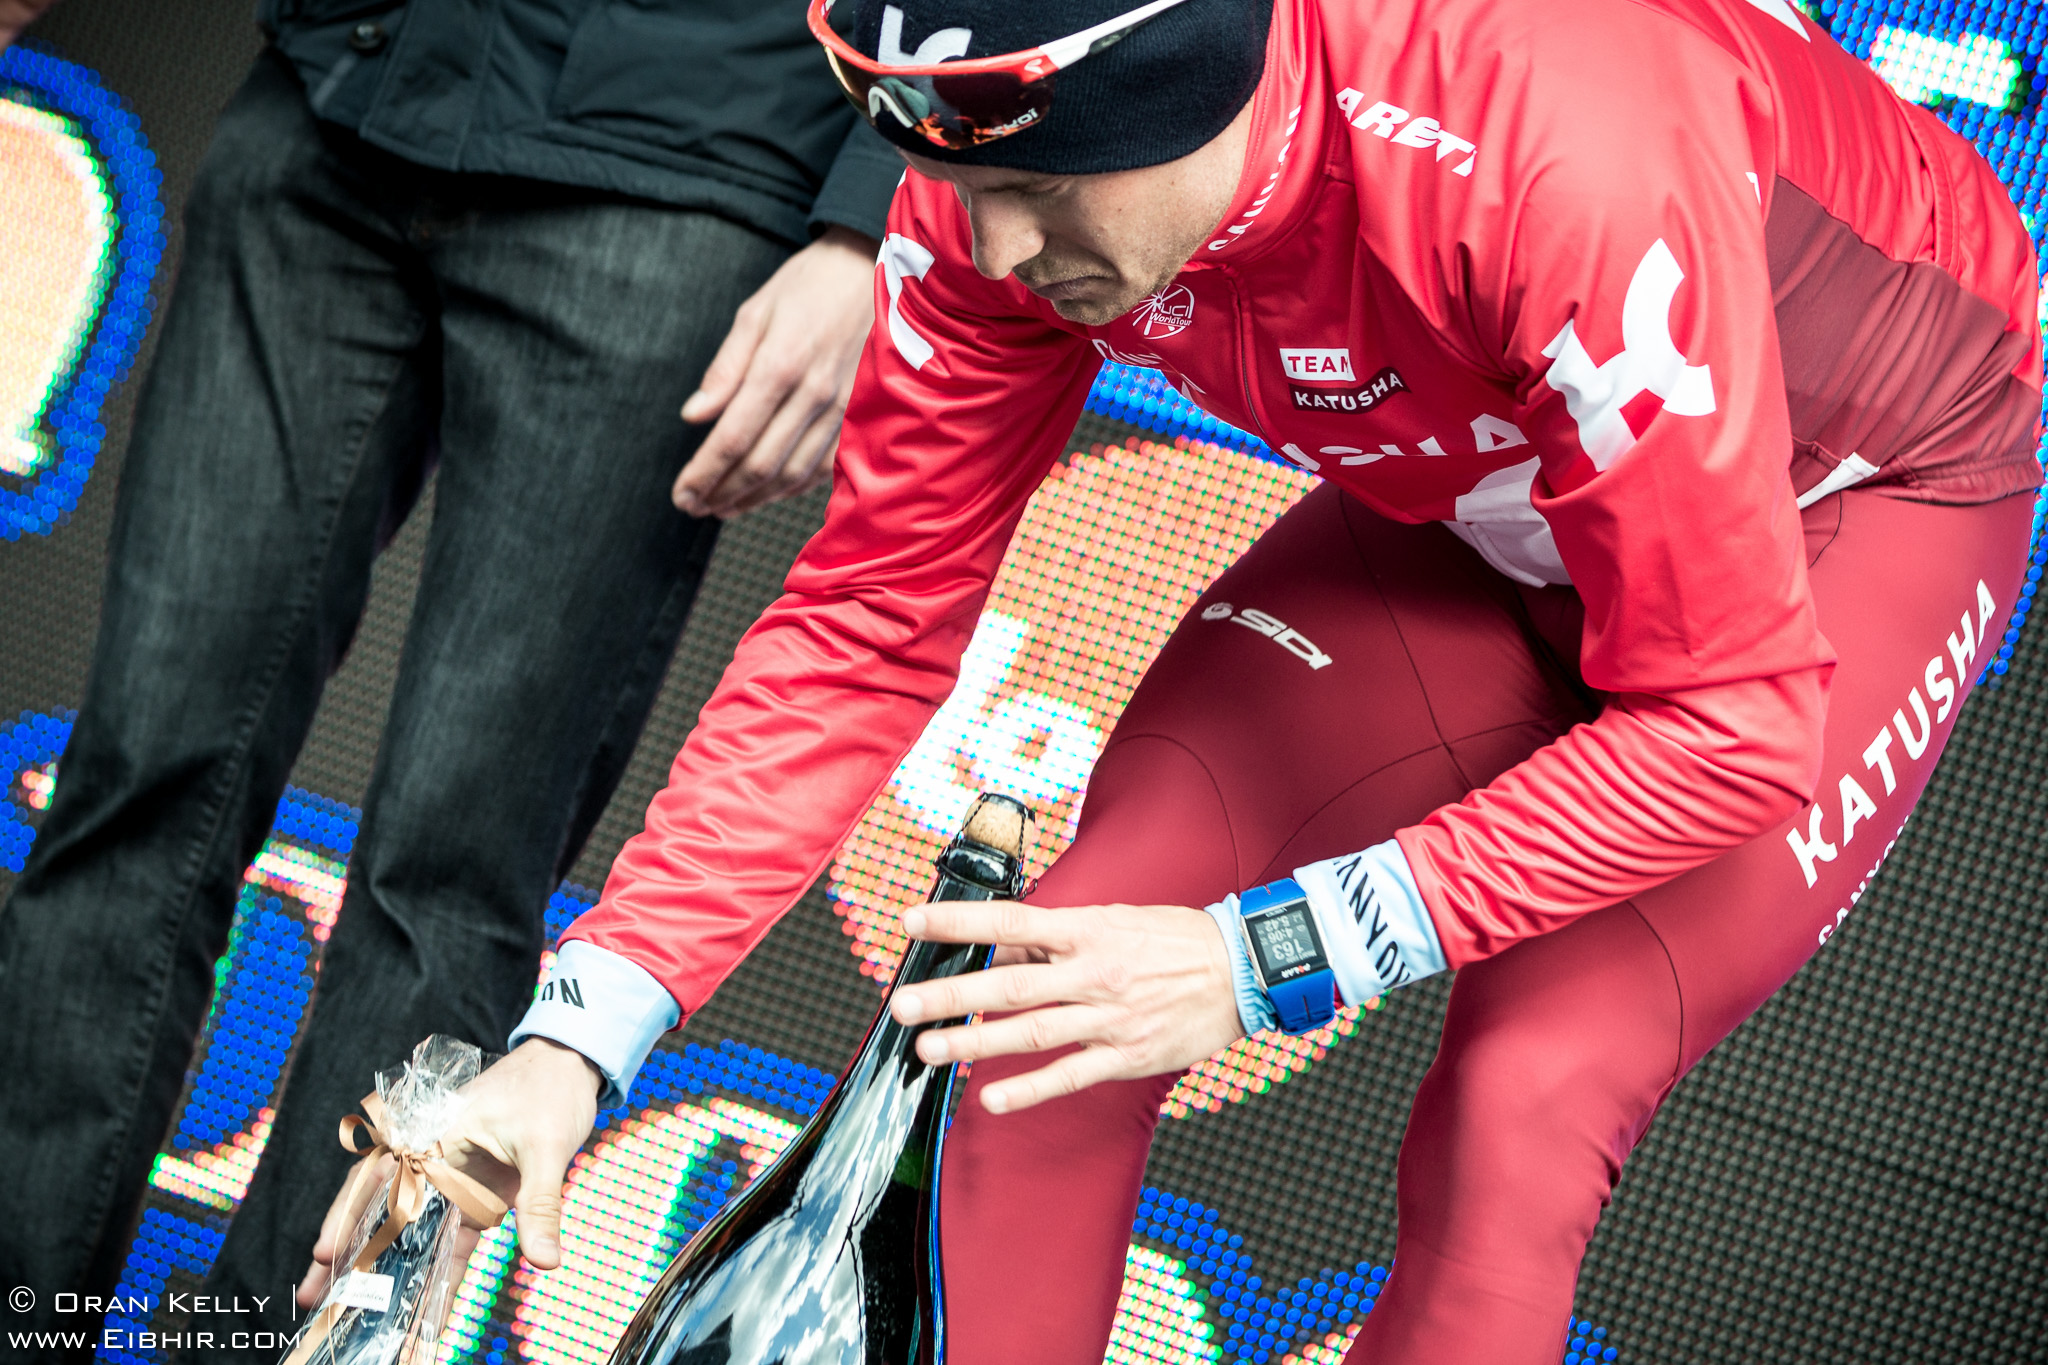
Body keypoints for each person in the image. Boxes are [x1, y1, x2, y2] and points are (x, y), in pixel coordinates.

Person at [302, 0, 2044, 1360]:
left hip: (1851, 504)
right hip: (1489, 483)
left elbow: (1729, 721)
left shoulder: (1547, 150)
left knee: (1525, 1101)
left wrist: (1267, 952)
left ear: (1198, 85)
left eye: (1039, 189)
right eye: (954, 185)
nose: (990, 248)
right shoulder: (994, 184)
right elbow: (867, 622)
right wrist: (572, 1041)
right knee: (1039, 996)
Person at [0, 0, 899, 1355]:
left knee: (449, 891)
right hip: (338, 91)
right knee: (134, 782)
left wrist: (870, 220)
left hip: (674, 166)